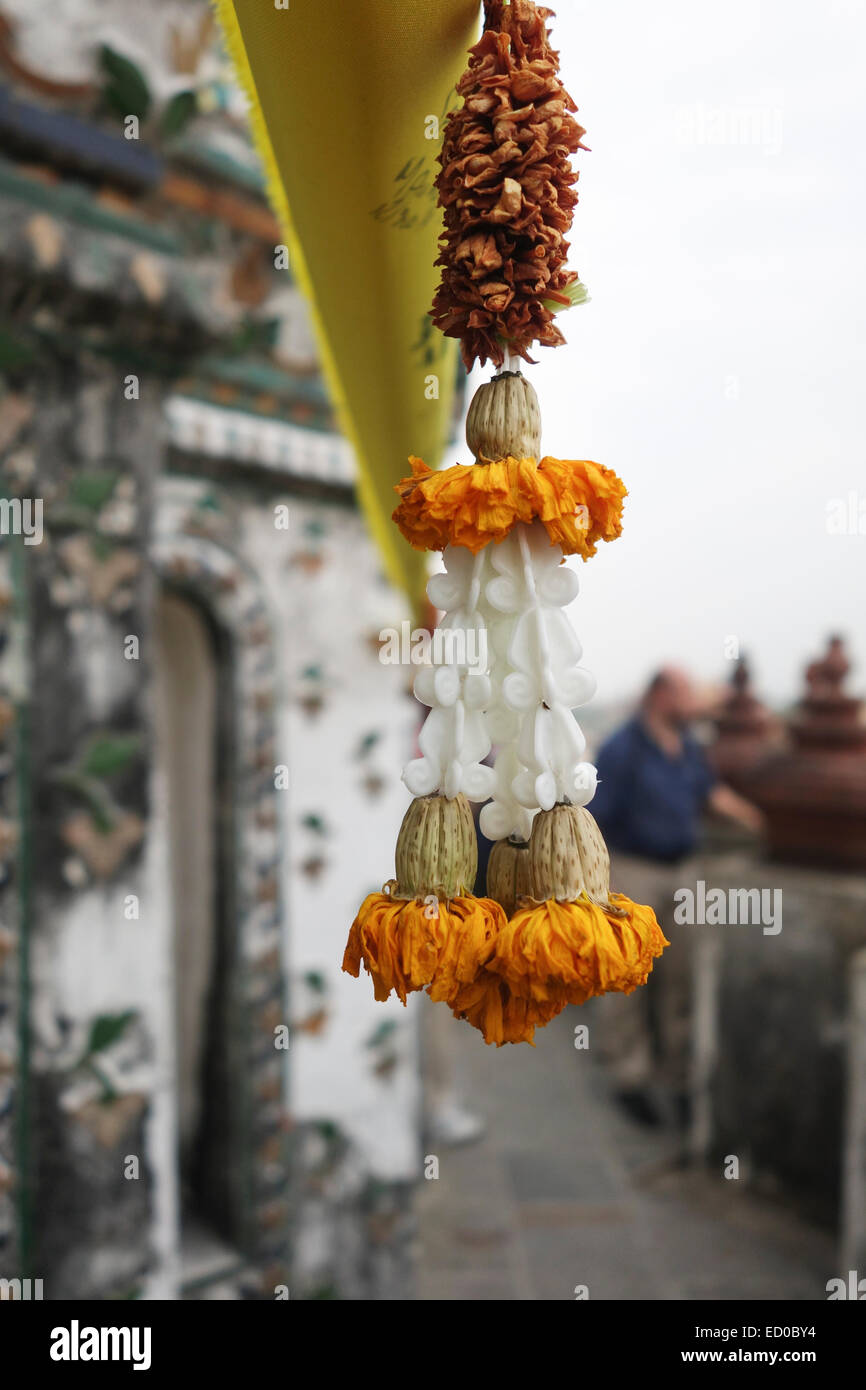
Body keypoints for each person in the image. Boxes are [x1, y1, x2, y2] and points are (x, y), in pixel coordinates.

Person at [589, 667, 764, 1128]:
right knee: (626, 981)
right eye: (685, 690)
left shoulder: (687, 747)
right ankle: (630, 1077)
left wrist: (758, 820)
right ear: (661, 695)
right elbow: (596, 817)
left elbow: (712, 795)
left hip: (682, 873)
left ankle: (678, 1078)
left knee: (680, 979)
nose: (694, 700)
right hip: (633, 872)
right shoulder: (622, 748)